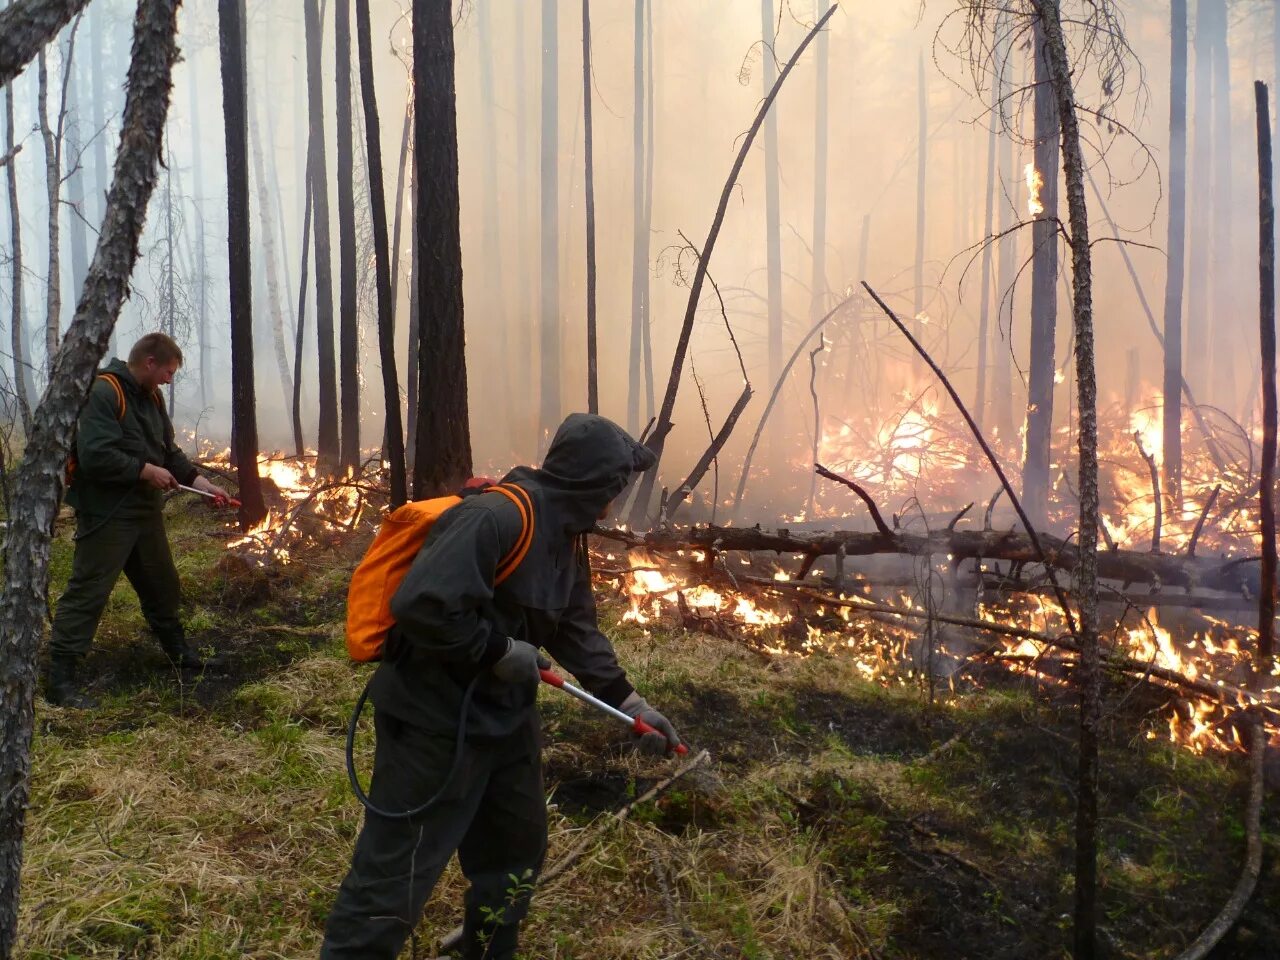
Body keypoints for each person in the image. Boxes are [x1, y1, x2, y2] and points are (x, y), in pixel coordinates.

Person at [320, 413, 683, 960]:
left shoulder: (566, 533)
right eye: (617, 486)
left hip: (506, 720)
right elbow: (421, 606)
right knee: (395, 874)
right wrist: (494, 650)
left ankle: (488, 950)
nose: (617, 499)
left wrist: (628, 701)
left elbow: (573, 624)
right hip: (433, 722)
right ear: (597, 483)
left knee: (515, 853)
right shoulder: (496, 518)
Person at [45, 332, 231, 708]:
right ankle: (60, 680)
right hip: (108, 513)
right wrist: (145, 471)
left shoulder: (152, 397)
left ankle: (179, 653)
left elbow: (168, 451)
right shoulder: (103, 392)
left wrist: (202, 483)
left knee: (163, 584)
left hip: (146, 513)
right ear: (149, 362)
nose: (169, 378)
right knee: (89, 592)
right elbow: (96, 455)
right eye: (168, 371)